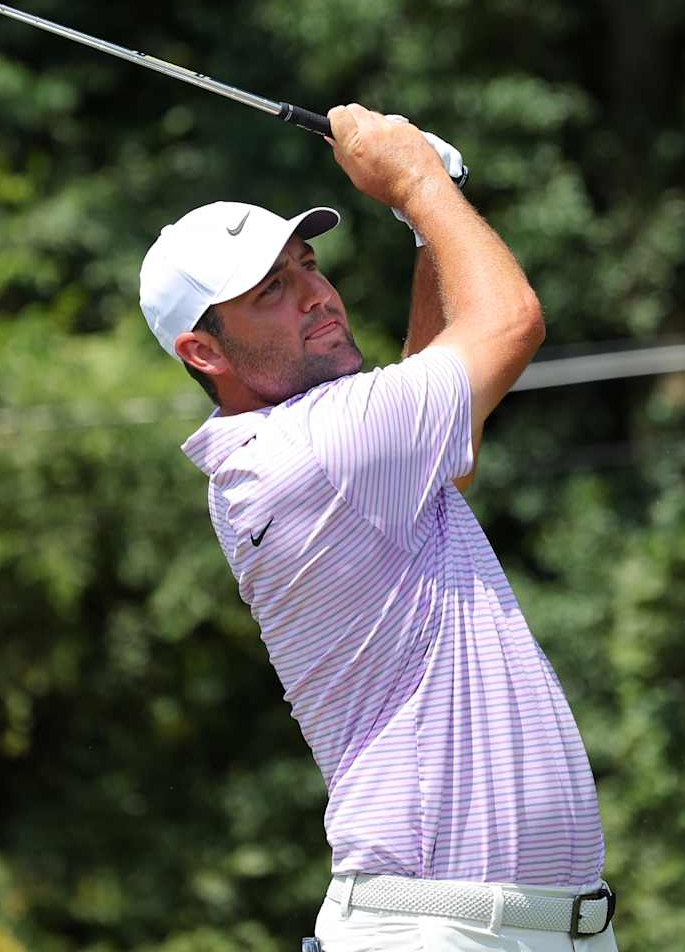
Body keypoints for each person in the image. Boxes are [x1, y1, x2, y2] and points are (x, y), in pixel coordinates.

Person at [138, 105, 619, 951]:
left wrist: (428, 225)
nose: (318, 296)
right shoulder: (322, 445)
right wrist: (418, 183)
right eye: (271, 293)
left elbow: (451, 448)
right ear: (203, 352)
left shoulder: (324, 441)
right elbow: (510, 322)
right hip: (439, 932)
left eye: (308, 265)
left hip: (518, 929)